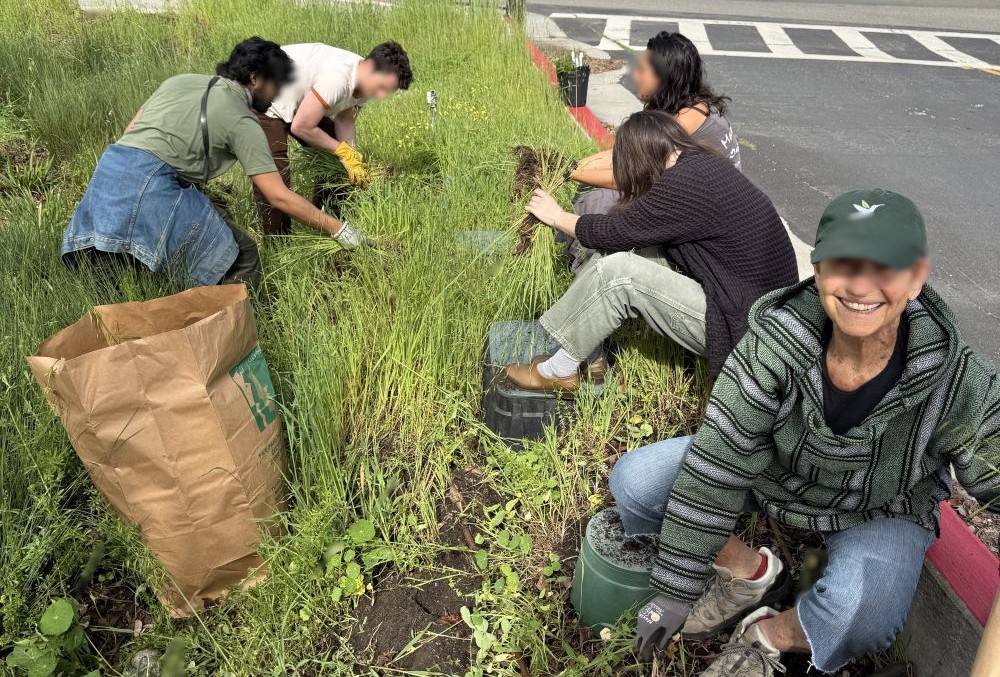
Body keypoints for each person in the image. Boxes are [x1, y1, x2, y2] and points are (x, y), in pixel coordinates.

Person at [611, 190, 1000, 675]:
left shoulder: (959, 380)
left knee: (865, 612)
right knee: (637, 483)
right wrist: (676, 586)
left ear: (917, 278)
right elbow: (720, 461)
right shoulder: (776, 341)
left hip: (884, 505)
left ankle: (769, 634)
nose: (861, 286)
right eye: (843, 263)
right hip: (776, 474)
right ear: (817, 271)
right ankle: (749, 575)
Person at [501, 110, 797, 393]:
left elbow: (615, 230)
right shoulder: (699, 163)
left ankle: (557, 373)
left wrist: (555, 216)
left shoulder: (683, 185)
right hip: (752, 307)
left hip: (749, 332)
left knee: (619, 275)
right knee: (621, 252)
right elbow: (625, 233)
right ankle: (589, 359)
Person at [62, 38, 369, 290]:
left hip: (107, 179)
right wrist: (339, 229)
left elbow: (131, 134)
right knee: (243, 256)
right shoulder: (243, 121)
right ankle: (243, 335)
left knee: (122, 282)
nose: (278, 95)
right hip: (151, 191)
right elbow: (277, 195)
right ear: (255, 79)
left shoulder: (177, 82)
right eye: (277, 85)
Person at [570, 31, 740, 218]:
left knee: (597, 203)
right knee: (589, 187)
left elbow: (636, 179)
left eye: (642, 70)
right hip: (697, 193)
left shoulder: (683, 120)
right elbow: (622, 155)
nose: (634, 75)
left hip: (713, 211)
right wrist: (571, 166)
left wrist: (573, 174)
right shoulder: (682, 102)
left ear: (664, 79)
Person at [255, 41, 413, 234]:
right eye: (381, 87)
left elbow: (345, 120)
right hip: (265, 99)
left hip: (299, 104)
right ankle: (278, 243)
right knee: (275, 179)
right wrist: (341, 150)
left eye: (387, 92)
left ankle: (330, 222)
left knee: (338, 162)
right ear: (370, 67)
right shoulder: (337, 79)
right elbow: (302, 127)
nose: (381, 96)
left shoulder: (363, 80)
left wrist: (351, 158)